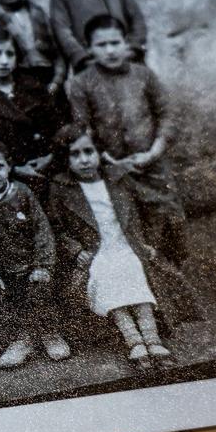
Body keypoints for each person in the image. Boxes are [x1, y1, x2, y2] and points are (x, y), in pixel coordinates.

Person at [44, 124, 178, 369]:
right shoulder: (61, 188)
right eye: (75, 154)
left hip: (125, 245)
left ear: (99, 153)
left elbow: (149, 208)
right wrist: (76, 250)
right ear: (65, 159)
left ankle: (152, 338)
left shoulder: (117, 177)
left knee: (133, 268)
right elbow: (56, 228)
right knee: (106, 275)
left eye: (89, 152)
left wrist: (147, 242)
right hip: (97, 251)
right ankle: (134, 340)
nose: (84, 160)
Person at [66, 15, 187, 264]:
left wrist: (155, 150)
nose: (110, 50)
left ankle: (177, 271)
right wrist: (107, 159)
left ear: (126, 43)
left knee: (169, 218)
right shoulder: (81, 84)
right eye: (101, 45)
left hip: (152, 162)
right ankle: (149, 277)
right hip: (114, 167)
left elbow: (168, 113)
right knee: (131, 223)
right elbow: (83, 128)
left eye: (115, 42)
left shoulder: (143, 75)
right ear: (89, 48)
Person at [0, 139, 69, 368]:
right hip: (0, 267)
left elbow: (43, 232)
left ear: (8, 166)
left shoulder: (22, 192)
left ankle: (49, 332)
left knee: (39, 288)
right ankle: (21, 338)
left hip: (31, 263)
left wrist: (43, 265)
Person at [0, 23, 65, 191]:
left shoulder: (34, 86)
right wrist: (14, 168)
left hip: (48, 166)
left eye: (9, 54)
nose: (4, 61)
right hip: (8, 175)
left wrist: (50, 156)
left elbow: (56, 125)